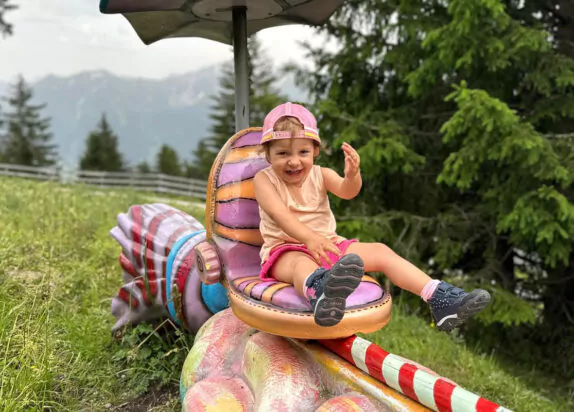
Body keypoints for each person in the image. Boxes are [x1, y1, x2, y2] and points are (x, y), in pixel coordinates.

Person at [253, 102, 491, 330]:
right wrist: (309, 239)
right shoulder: (264, 180)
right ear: (268, 155)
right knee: (299, 264)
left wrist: (352, 175)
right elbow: (279, 214)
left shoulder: (321, 174)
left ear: (315, 151)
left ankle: (439, 298)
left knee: (381, 251)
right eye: (283, 153)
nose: (294, 161)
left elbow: (348, 192)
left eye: (303, 152)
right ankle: (321, 293)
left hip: (328, 245)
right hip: (285, 251)